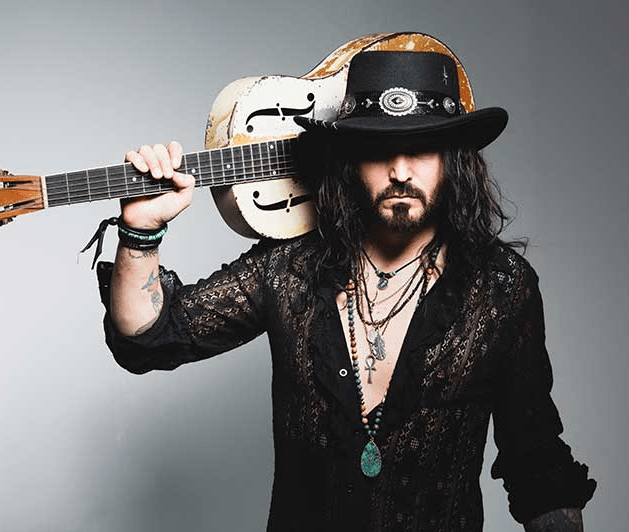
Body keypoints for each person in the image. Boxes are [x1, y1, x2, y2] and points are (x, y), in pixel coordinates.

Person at [95, 36, 596, 531]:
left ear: (454, 159)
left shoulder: (501, 288)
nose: (400, 171)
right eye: (379, 149)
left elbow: (538, 466)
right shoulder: (290, 268)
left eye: (423, 148)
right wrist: (141, 231)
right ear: (350, 158)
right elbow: (149, 335)